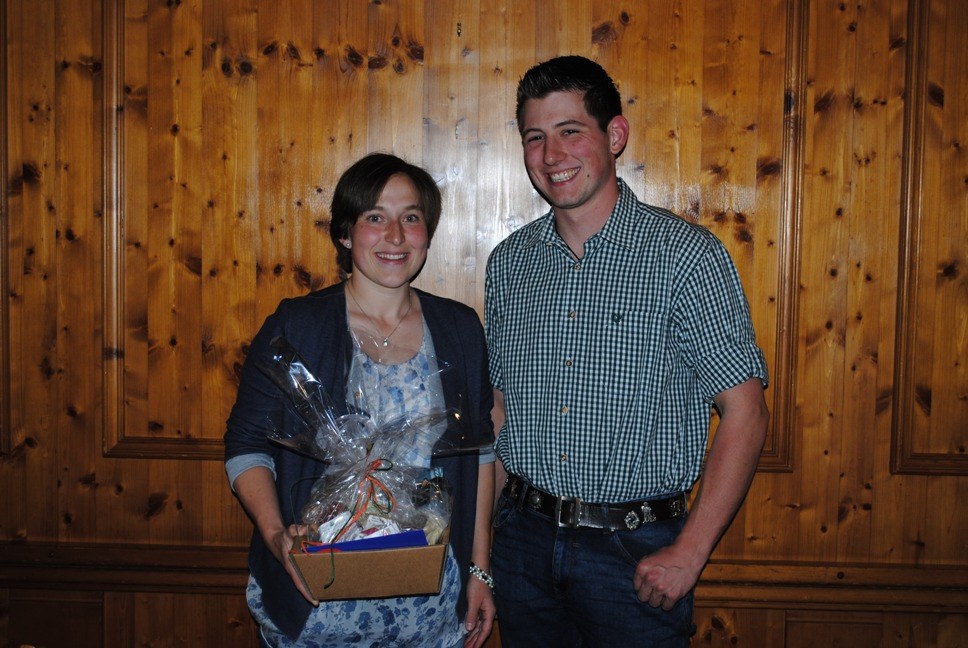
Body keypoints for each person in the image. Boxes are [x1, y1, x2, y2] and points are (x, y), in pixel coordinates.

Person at [484, 55, 770, 646]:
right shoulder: (509, 265)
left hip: (634, 555)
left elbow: (746, 412)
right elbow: (501, 412)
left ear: (615, 136)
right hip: (522, 544)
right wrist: (484, 552)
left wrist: (690, 552)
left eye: (570, 131)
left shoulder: (685, 256)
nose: (551, 155)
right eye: (535, 137)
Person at [224, 153, 496, 648]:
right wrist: (275, 534)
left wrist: (480, 569)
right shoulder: (298, 325)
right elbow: (246, 446)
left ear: (427, 234)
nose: (395, 236)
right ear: (346, 233)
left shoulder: (458, 328)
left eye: (410, 217)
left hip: (431, 612)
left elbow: (479, 455)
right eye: (375, 217)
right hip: (316, 611)